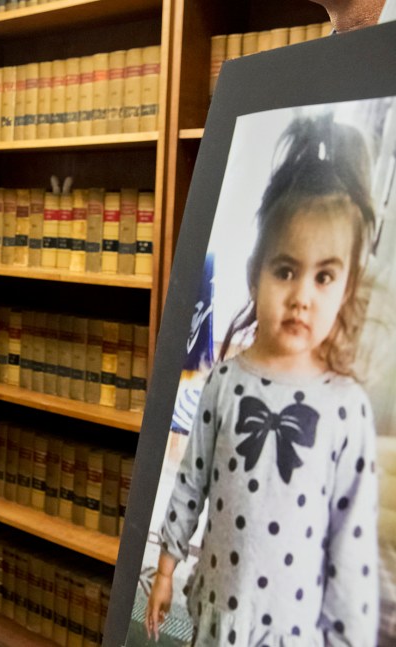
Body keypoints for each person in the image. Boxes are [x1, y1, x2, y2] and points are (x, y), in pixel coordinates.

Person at [145, 114, 379, 646]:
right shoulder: (225, 383)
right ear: (256, 273)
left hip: (294, 631)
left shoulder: (346, 408)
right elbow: (190, 484)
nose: (302, 296)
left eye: (324, 276)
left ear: (346, 288)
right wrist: (164, 570)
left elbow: (351, 551)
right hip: (217, 615)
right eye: (285, 270)